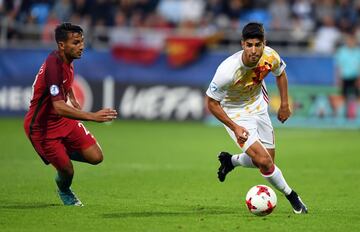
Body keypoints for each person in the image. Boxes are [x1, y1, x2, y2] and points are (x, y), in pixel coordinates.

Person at [205, 22, 308, 214]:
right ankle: (292, 197)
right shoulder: (228, 71)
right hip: (234, 112)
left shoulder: (270, 55)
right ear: (242, 44)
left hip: (258, 106)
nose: (254, 50)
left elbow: (281, 73)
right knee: (266, 162)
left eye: (258, 45)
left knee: (266, 160)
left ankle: (231, 161)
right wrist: (234, 126)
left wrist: (285, 104)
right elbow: (211, 103)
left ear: (264, 44)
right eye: (249, 45)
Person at [24, 22, 117, 206]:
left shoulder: (67, 59)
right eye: (76, 43)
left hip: (61, 121)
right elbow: (58, 106)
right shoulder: (53, 66)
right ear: (61, 45)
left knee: (96, 157)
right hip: (42, 128)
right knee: (67, 171)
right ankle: (64, 189)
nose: (81, 46)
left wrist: (72, 96)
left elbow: (63, 84)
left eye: (82, 41)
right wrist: (93, 116)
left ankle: (62, 152)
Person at [334, 32, 360, 119]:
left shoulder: (358, 52)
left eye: (352, 41)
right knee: (343, 96)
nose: (350, 42)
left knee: (357, 97)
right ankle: (342, 115)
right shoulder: (342, 51)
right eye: (349, 40)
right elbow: (338, 67)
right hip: (344, 77)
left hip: (355, 77)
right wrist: (338, 79)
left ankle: (356, 115)